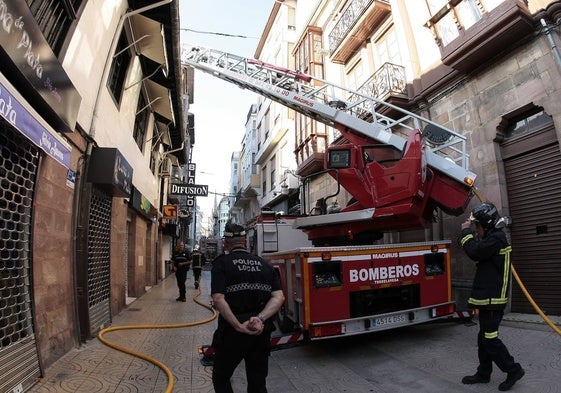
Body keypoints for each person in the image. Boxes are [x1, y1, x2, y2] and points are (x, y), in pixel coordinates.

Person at [210, 222, 285, 393]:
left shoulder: (222, 264)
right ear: (245, 242)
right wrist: (260, 318)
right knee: (257, 382)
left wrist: (238, 326)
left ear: (225, 243)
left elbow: (218, 298)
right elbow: (279, 296)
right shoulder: (265, 265)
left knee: (221, 377)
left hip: (232, 332)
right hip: (260, 331)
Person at [458, 202, 524, 391]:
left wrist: (465, 232)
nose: (476, 230)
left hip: (493, 301)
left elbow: (474, 251)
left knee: (489, 339)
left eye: (477, 226)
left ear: (485, 225)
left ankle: (513, 370)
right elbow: (477, 249)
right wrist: (469, 233)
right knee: (483, 339)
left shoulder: (497, 239)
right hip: (488, 300)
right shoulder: (492, 238)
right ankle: (483, 373)